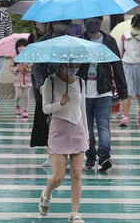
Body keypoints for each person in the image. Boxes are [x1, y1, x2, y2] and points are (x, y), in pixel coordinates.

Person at [77, 16, 128, 171]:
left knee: (103, 125)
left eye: (96, 22)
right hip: (84, 91)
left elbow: (117, 65)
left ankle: (104, 156)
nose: (93, 25)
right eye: (89, 22)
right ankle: (90, 155)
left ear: (100, 23)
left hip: (104, 90)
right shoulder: (80, 41)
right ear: (85, 23)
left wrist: (122, 90)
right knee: (87, 126)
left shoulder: (109, 41)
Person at [39, 63, 87, 223]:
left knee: (76, 174)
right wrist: (61, 103)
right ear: (62, 65)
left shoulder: (80, 82)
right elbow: (45, 108)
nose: (74, 68)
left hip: (77, 128)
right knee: (58, 177)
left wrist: (87, 134)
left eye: (77, 65)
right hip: (58, 129)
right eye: (71, 65)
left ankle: (75, 213)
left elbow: (83, 109)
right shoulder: (50, 82)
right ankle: (47, 191)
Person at [31, 19, 72, 167]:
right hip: (48, 88)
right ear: (54, 25)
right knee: (50, 124)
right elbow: (37, 67)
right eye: (61, 24)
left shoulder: (73, 43)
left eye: (67, 25)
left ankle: (69, 152)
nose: (64, 28)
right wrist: (41, 85)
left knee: (68, 122)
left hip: (67, 87)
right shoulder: (43, 42)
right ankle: (52, 154)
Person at [10, 38, 32, 118]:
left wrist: (28, 70)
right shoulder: (14, 57)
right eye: (20, 46)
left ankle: (25, 110)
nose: (21, 47)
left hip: (27, 80)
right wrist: (17, 69)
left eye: (24, 45)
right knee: (18, 95)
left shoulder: (29, 56)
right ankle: (17, 105)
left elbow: (33, 67)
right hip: (18, 80)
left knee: (26, 95)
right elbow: (11, 67)